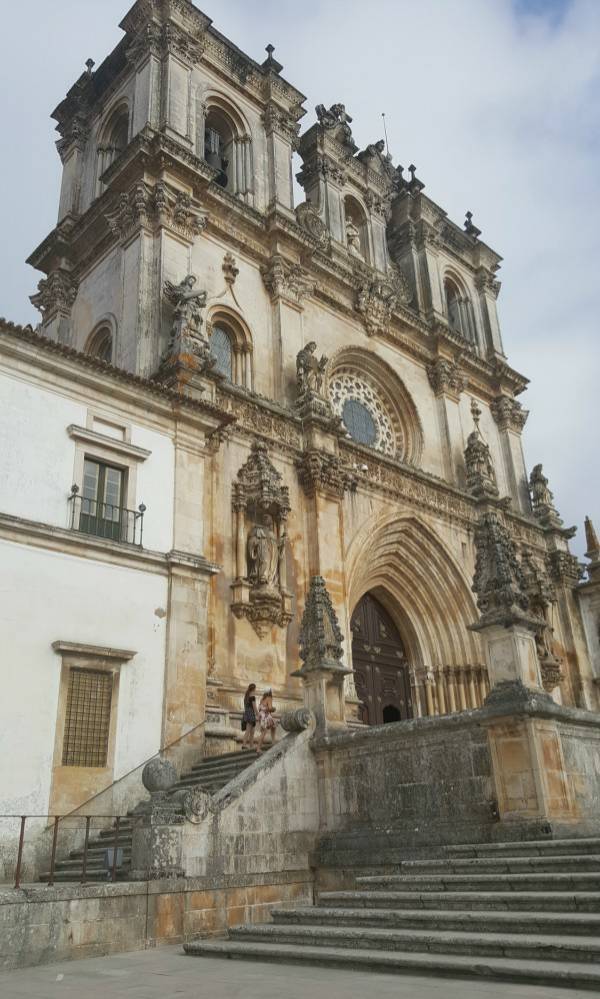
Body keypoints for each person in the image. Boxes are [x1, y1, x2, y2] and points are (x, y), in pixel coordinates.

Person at [241, 683, 257, 749]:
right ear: (254, 689)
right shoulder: (252, 696)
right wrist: (258, 714)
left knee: (252, 731)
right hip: (250, 714)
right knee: (248, 730)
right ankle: (244, 745)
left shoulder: (246, 696)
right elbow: (254, 707)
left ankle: (251, 746)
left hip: (247, 713)